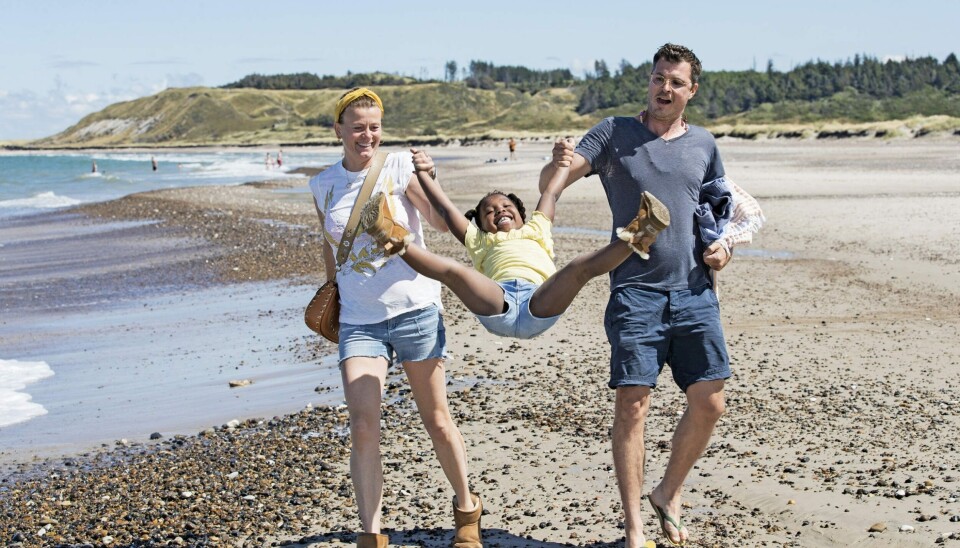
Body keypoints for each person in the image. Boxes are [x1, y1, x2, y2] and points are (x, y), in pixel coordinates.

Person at [539, 43, 736, 548]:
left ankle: (667, 493)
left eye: (675, 82)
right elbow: (558, 177)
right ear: (648, 82)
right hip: (635, 292)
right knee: (633, 404)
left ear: (691, 90)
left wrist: (721, 249)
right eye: (657, 78)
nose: (664, 88)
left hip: (694, 292)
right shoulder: (613, 133)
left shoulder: (705, 144)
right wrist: (551, 176)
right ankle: (634, 529)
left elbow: (716, 213)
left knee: (710, 402)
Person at [307, 87, 483, 548]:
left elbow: (440, 225)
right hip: (359, 322)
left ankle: (466, 510)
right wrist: (333, 299)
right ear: (339, 130)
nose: (367, 135)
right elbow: (331, 248)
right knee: (363, 425)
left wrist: (429, 178)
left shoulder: (398, 166)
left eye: (374, 127)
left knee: (436, 419)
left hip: (415, 310)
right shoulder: (321, 184)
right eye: (358, 127)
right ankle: (371, 535)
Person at [359, 148, 671, 340]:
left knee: (579, 267)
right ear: (481, 223)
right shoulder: (479, 240)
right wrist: (425, 174)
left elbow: (551, 192)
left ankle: (641, 233)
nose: (499, 211)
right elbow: (445, 209)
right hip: (497, 303)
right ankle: (389, 235)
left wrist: (563, 161)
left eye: (505, 206)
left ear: (521, 213)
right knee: (454, 272)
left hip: (540, 301)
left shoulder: (537, 227)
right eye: (489, 212)